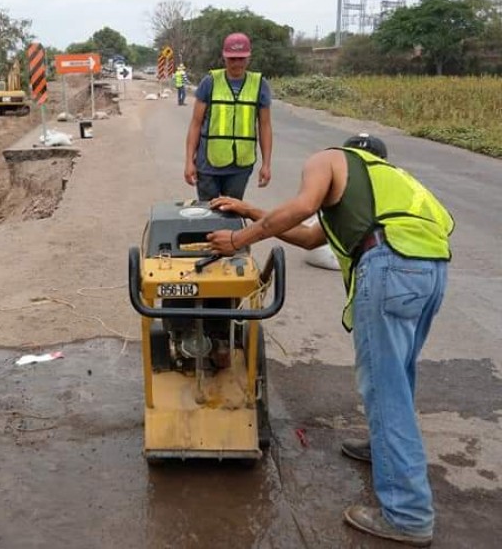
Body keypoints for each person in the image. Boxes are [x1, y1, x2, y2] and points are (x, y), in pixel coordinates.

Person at [207, 134, 453, 547]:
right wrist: (249, 210)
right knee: (400, 375)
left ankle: (409, 514)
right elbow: (307, 235)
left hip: (390, 265)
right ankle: (384, 451)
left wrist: (237, 240)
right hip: (431, 272)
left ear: (350, 155)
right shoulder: (387, 187)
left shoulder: (331, 158)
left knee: (384, 388)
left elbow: (303, 206)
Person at [184, 32, 273, 201]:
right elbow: (195, 123)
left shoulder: (260, 85)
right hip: (208, 165)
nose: (237, 63)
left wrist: (266, 165)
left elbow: (265, 126)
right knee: (208, 215)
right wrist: (189, 161)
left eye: (241, 59)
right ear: (224, 58)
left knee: (231, 216)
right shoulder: (210, 82)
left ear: (248, 58)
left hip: (240, 167)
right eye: (232, 59)